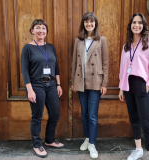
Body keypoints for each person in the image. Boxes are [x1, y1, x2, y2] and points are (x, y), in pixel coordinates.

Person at [118, 13, 149, 160]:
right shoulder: (126, 46)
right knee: (134, 119)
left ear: (143, 26)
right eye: (134, 22)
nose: (137, 25)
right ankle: (138, 149)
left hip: (142, 85)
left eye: (140, 23)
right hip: (128, 86)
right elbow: (123, 68)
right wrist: (121, 88)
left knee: (146, 122)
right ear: (130, 25)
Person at [21, 19, 64, 158]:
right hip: (36, 85)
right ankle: (37, 144)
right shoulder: (27, 48)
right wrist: (30, 90)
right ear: (32, 30)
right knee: (37, 116)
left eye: (43, 28)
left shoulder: (50, 47)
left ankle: (49, 140)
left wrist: (58, 84)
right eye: (38, 27)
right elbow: (24, 71)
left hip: (51, 84)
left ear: (46, 32)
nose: (41, 30)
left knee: (55, 113)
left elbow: (56, 67)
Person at [71, 12, 109, 159]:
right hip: (81, 81)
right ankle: (87, 139)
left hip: (95, 81)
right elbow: (74, 62)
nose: (89, 24)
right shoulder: (78, 40)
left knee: (92, 116)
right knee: (84, 114)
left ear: (95, 24)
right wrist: (73, 82)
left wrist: (104, 83)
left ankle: (92, 143)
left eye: (91, 22)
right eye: (86, 22)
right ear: (83, 24)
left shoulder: (102, 40)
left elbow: (105, 63)